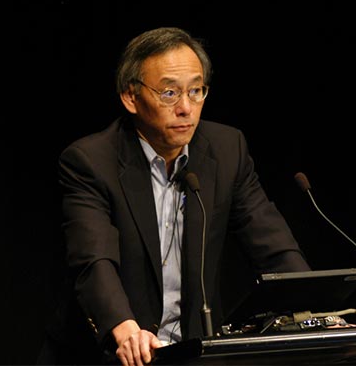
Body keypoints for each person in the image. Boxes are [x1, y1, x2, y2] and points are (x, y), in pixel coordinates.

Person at [41, 27, 311, 365]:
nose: (186, 107)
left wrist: (315, 309)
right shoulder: (91, 161)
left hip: (193, 353)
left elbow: (273, 248)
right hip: (109, 355)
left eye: (196, 91)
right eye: (169, 93)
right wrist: (124, 329)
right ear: (131, 97)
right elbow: (94, 260)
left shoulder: (227, 150)